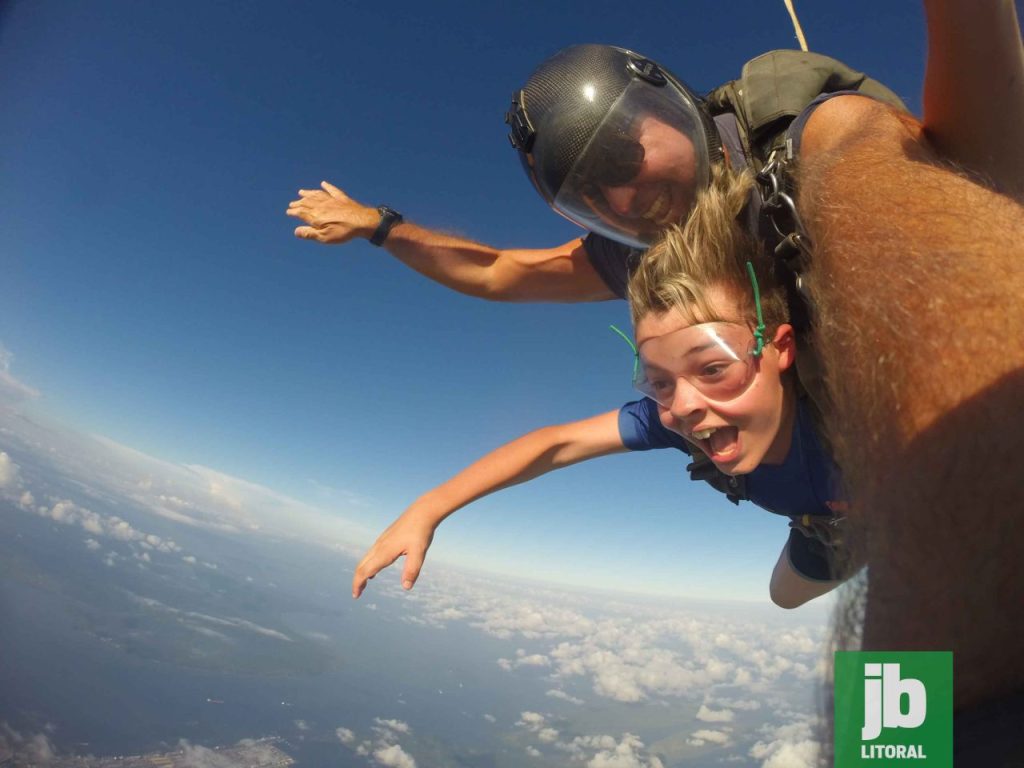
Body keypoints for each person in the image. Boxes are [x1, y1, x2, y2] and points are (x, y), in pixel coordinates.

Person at [353, 167, 851, 610]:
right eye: (657, 382)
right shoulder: (673, 419)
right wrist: (429, 508)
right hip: (826, 524)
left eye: (714, 369)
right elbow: (556, 444)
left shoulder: (868, 422)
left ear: (781, 349)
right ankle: (836, 531)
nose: (684, 406)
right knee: (784, 597)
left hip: (892, 500)